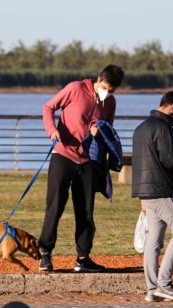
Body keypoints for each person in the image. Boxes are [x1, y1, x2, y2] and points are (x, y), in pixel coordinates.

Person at [39, 64, 125, 273]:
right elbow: (48, 108)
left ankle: (83, 257)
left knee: (86, 210)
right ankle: (45, 253)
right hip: (63, 154)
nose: (107, 93)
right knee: (55, 205)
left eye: (112, 91)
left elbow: (109, 130)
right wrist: (52, 131)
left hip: (89, 161)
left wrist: (99, 132)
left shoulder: (110, 102)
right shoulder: (76, 88)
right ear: (98, 80)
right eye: (105, 87)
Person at [131, 90, 173, 302]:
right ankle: (164, 283)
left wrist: (142, 195)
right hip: (164, 190)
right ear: (172, 107)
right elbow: (170, 161)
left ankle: (152, 289)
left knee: (154, 240)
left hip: (146, 192)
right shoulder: (164, 128)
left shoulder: (141, 128)